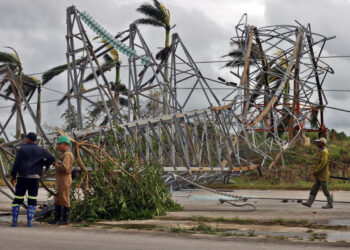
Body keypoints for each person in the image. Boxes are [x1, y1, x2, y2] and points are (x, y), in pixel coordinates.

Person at [10, 132, 55, 227]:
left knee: (18, 198)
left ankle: (14, 222)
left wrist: (13, 175)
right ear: (35, 140)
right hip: (35, 178)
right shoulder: (41, 149)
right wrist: (44, 164)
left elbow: (16, 163)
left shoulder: (22, 149)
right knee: (32, 198)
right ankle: (30, 222)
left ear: (27, 139)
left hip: (23, 177)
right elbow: (52, 158)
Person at [48, 136, 74, 225]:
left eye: (60, 144)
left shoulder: (67, 154)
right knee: (58, 198)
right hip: (61, 179)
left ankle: (65, 219)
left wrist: (56, 165)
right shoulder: (64, 154)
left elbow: (65, 168)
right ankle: (57, 218)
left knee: (64, 198)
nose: (58, 146)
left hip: (65, 179)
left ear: (65, 144)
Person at [302, 137, 333, 209]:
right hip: (319, 175)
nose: (317, 143)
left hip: (323, 175)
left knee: (325, 189)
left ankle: (330, 203)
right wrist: (316, 171)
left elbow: (323, 163)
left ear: (322, 143)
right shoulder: (320, 151)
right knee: (315, 188)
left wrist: (316, 170)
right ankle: (309, 203)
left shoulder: (324, 152)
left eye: (318, 142)